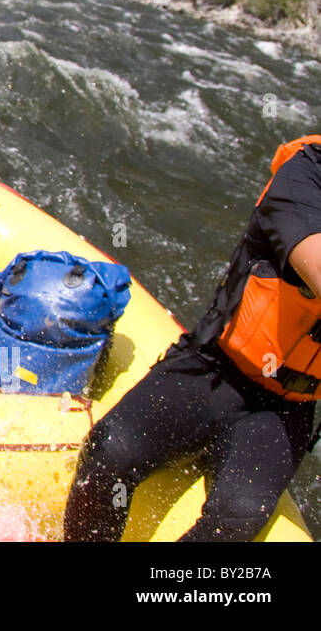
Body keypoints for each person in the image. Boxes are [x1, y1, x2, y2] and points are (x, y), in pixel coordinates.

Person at [64, 136, 321, 541]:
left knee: (236, 519)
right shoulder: (305, 176)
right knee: (109, 451)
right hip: (211, 369)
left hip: (286, 407)